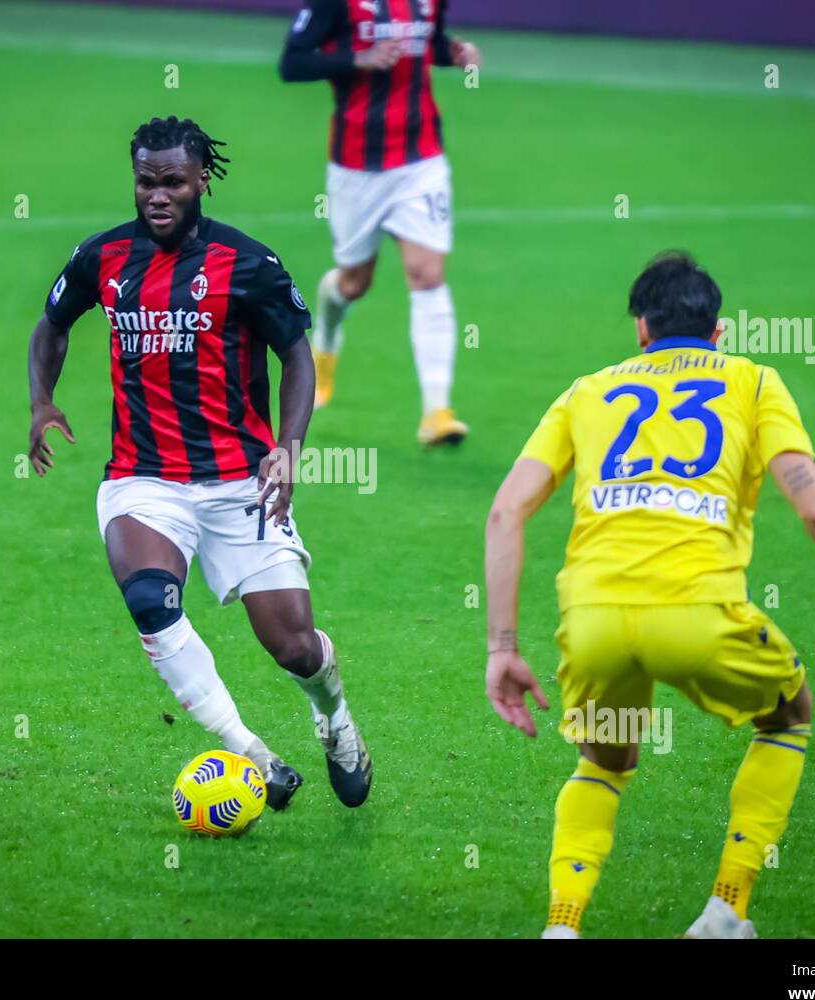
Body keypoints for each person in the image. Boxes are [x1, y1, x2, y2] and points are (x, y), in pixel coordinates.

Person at [483, 251, 815, 937]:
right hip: (698, 616)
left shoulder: (587, 390)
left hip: (594, 619)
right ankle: (727, 909)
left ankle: (562, 926)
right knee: (788, 716)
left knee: (605, 759)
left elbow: (506, 511)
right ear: (719, 331)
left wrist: (502, 646)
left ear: (640, 330)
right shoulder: (753, 381)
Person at [26, 116, 373, 811]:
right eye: (146, 181)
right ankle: (253, 755)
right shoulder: (103, 258)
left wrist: (289, 446)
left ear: (200, 181)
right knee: (151, 603)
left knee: (295, 646)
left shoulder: (248, 264)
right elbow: (52, 326)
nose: (157, 195)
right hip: (141, 479)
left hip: (242, 483)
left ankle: (334, 717)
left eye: (173, 182)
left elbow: (297, 355)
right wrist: (42, 402)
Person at [279, 0, 480, 445]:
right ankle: (326, 345)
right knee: (353, 283)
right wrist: (357, 59)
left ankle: (436, 412)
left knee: (427, 275)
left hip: (420, 159)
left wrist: (454, 53)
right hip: (355, 167)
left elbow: (428, 42)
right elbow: (292, 62)